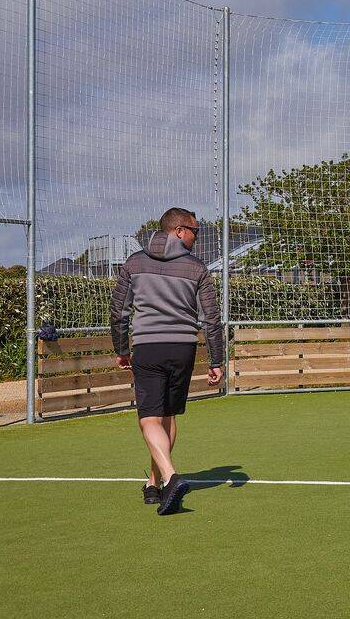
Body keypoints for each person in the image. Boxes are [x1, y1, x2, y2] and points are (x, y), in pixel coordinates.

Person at [110, 207, 224, 515]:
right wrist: (217, 360)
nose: (197, 238)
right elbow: (211, 318)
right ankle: (153, 484)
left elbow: (118, 311)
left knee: (149, 419)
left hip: (148, 347)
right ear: (178, 230)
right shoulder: (197, 268)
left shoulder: (133, 263)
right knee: (168, 417)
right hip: (183, 348)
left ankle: (171, 477)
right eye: (195, 231)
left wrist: (122, 349)